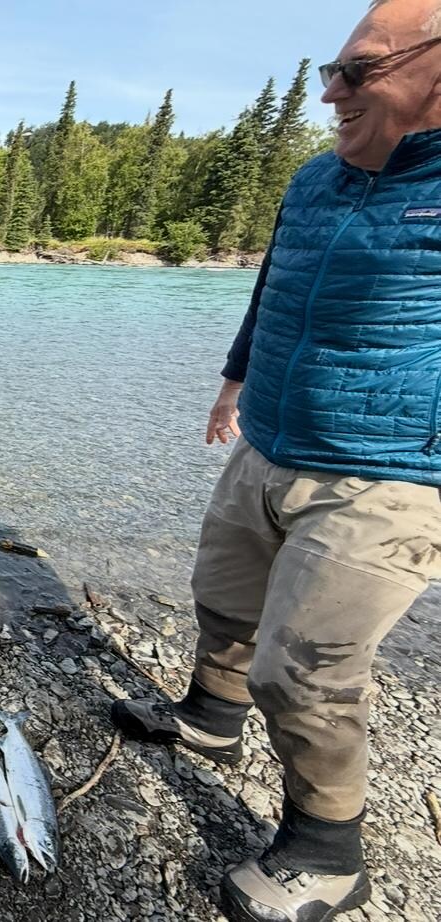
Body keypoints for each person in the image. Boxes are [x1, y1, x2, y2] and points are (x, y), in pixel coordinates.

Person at [111, 2, 441, 920]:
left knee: (305, 667)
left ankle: (328, 850)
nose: (331, 91)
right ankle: (210, 724)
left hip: (394, 472)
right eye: (329, 70)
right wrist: (233, 382)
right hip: (271, 437)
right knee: (223, 595)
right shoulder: (313, 180)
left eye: (359, 71)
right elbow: (273, 284)